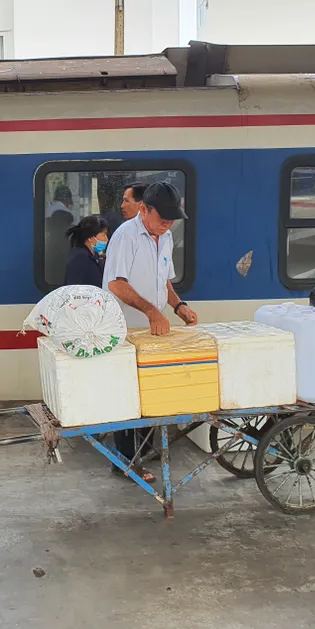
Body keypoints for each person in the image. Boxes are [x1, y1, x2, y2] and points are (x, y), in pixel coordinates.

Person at [102, 181, 198, 479]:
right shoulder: (126, 236)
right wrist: (152, 311)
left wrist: (179, 306)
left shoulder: (165, 236)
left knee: (150, 395)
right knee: (129, 398)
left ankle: (140, 452)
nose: (167, 225)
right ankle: (125, 462)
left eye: (172, 220)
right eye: (162, 218)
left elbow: (163, 280)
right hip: (127, 331)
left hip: (152, 334)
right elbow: (115, 284)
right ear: (144, 210)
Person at [63, 215, 108, 287]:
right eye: (103, 235)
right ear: (90, 238)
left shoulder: (95, 257)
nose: (106, 239)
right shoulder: (80, 257)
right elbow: (73, 288)